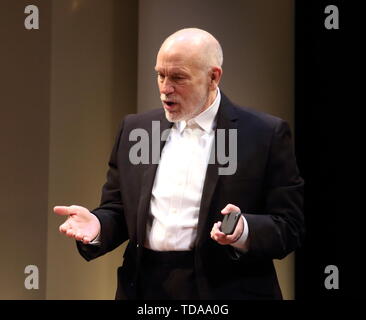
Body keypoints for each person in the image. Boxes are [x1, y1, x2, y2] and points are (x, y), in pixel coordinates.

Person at [54, 28, 304, 300]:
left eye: (178, 77)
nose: (165, 88)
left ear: (213, 77)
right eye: (160, 75)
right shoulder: (137, 130)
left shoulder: (264, 134)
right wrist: (98, 226)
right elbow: (118, 210)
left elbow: (288, 226)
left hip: (226, 289)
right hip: (145, 287)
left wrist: (243, 229)